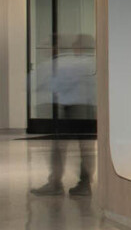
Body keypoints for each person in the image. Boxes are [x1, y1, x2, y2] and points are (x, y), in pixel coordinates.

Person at [32, 34, 96, 198]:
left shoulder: (70, 64)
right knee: (86, 148)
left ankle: (56, 182)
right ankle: (84, 183)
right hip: (89, 109)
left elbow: (54, 84)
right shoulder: (93, 63)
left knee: (60, 147)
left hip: (73, 108)